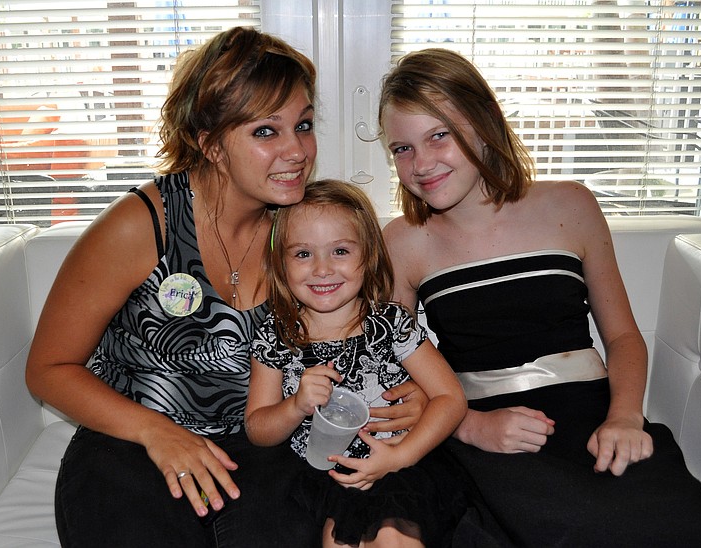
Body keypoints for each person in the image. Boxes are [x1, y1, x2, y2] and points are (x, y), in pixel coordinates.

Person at [25, 28, 425, 548]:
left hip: (261, 450)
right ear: (209, 142)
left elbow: (366, 335)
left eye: (303, 125)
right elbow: (48, 369)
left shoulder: (302, 232)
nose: (297, 151)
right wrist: (156, 432)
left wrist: (410, 395)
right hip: (130, 446)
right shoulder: (144, 225)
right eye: (266, 131)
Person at [378, 48, 701, 547]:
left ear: (484, 122)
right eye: (402, 149)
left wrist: (625, 417)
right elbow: (392, 374)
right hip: (484, 436)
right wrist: (470, 427)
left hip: (594, 419)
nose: (421, 163)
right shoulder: (401, 241)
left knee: (684, 529)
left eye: (438, 136)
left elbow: (622, 337)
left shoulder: (570, 204)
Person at [244, 179, 468, 548]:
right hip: (322, 476)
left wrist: (398, 457)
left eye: (340, 251)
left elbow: (450, 398)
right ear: (280, 263)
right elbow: (257, 428)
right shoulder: (276, 334)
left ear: (369, 255)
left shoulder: (391, 323)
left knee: (394, 536)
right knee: (339, 539)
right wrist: (295, 405)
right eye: (303, 254)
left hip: (401, 465)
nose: (322, 269)